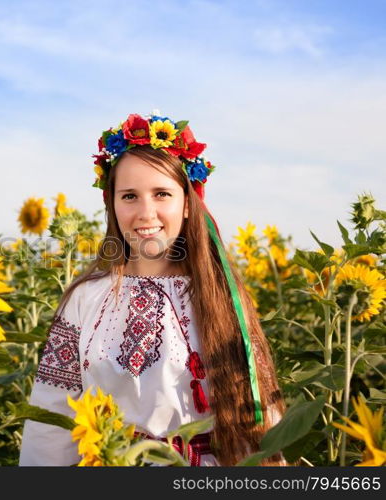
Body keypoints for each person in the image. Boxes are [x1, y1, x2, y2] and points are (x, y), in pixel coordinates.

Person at [18, 111, 286, 466]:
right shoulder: (85, 299)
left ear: (188, 203)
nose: (146, 212)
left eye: (162, 193)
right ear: (112, 205)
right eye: (129, 196)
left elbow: (260, 414)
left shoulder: (223, 296)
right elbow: (51, 417)